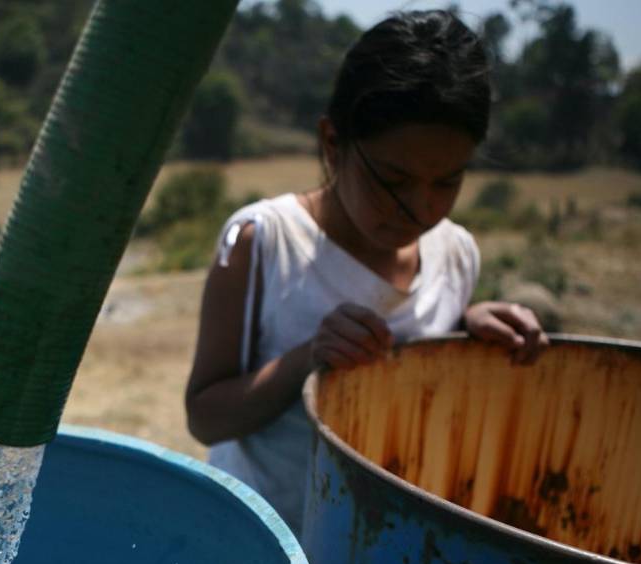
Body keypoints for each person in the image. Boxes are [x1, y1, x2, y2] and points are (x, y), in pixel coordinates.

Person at [185, 9, 549, 534]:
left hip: (381, 550)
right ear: (334, 144)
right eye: (394, 180)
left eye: (447, 181)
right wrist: (309, 358)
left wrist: (467, 329)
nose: (419, 209)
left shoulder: (457, 255)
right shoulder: (263, 243)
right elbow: (204, 417)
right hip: (259, 543)